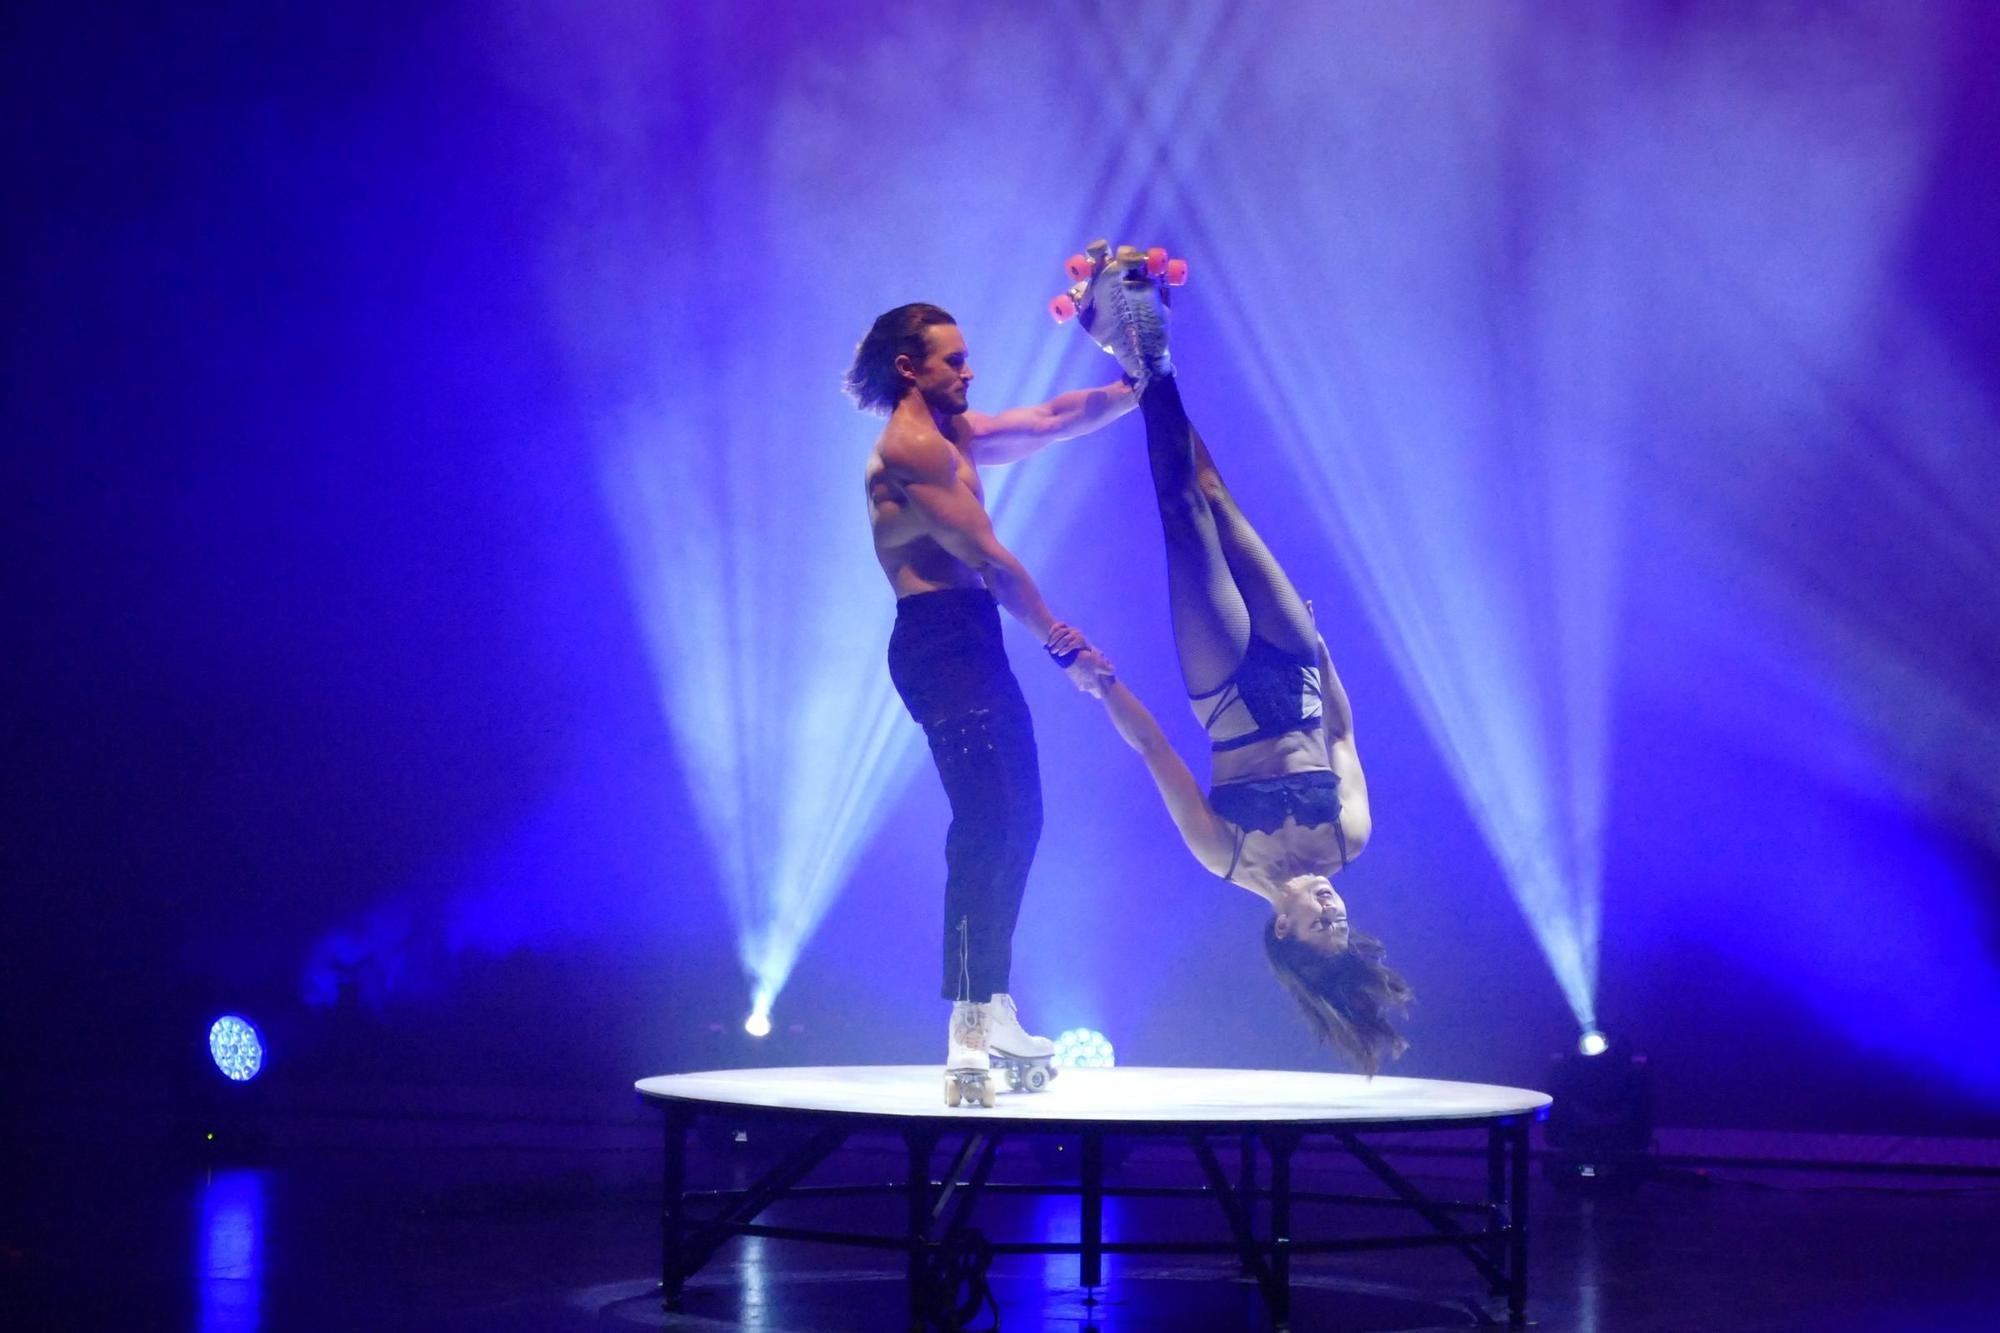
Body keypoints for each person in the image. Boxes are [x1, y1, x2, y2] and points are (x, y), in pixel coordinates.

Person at [1056, 245, 1412, 1074]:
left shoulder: (1224, 856)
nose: (1331, 905)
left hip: (1222, 688)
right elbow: (1346, 739)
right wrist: (1322, 653)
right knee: (1218, 495)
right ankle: (1140, 350)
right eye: (1341, 918)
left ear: (1282, 929)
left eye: (1320, 922)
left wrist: (1102, 683)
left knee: (1183, 513)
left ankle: (1139, 347)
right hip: (1294, 665)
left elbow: (1155, 752)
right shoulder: (1348, 836)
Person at [847, 302, 1136, 1100]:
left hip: (970, 639)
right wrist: (1065, 644)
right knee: (985, 822)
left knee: (1022, 815)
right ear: (910, 366)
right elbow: (991, 559)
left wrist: (1136, 383)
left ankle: (993, 1000)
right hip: (941, 642)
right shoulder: (910, 450)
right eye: (953, 360)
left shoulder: (955, 435)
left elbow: (1046, 420)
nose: (969, 371)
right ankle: (967, 1028)